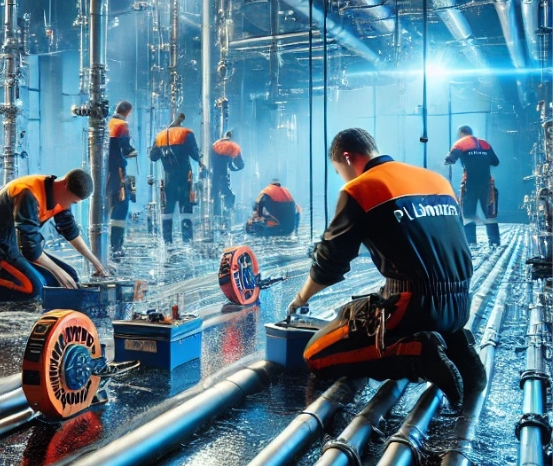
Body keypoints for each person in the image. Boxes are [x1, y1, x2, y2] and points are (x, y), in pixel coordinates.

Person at [287, 128, 484, 408]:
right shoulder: (436, 180)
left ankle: (416, 353)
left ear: (347, 157)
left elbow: (330, 263)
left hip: (413, 307)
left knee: (316, 354)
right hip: (461, 303)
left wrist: (301, 299)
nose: (342, 177)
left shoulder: (361, 188)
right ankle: (457, 346)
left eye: (339, 170)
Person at [0, 169, 107, 301]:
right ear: (65, 184)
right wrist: (58, 271)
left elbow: (69, 230)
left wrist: (96, 263)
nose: (70, 205)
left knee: (70, 277)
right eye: (72, 202)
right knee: (33, 288)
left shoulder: (60, 196)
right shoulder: (28, 193)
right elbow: (30, 250)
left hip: (16, 244)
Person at [149, 113, 203, 244]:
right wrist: (202, 162)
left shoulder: (160, 136)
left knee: (167, 211)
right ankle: (187, 241)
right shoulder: (186, 133)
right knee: (186, 210)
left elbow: (153, 156)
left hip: (168, 178)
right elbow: (195, 155)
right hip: (185, 178)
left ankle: (167, 242)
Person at [445, 125, 500, 247]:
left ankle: (471, 242)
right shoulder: (485, 144)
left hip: (470, 184)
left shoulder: (460, 143)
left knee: (468, 214)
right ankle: (494, 241)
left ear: (460, 134)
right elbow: (495, 162)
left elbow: (450, 159)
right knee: (490, 213)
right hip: (486, 184)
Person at [106, 101, 138, 257]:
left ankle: (105, 245)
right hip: (118, 171)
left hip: (104, 173)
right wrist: (133, 151)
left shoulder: (108, 123)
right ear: (128, 112)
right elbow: (126, 149)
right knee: (121, 206)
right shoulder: (121, 125)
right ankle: (116, 246)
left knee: (107, 207)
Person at [210, 131, 244, 220]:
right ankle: (228, 212)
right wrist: (237, 168)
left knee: (215, 194)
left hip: (214, 175)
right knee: (229, 194)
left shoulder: (215, 145)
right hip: (224, 174)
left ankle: (215, 215)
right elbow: (239, 164)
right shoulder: (233, 146)